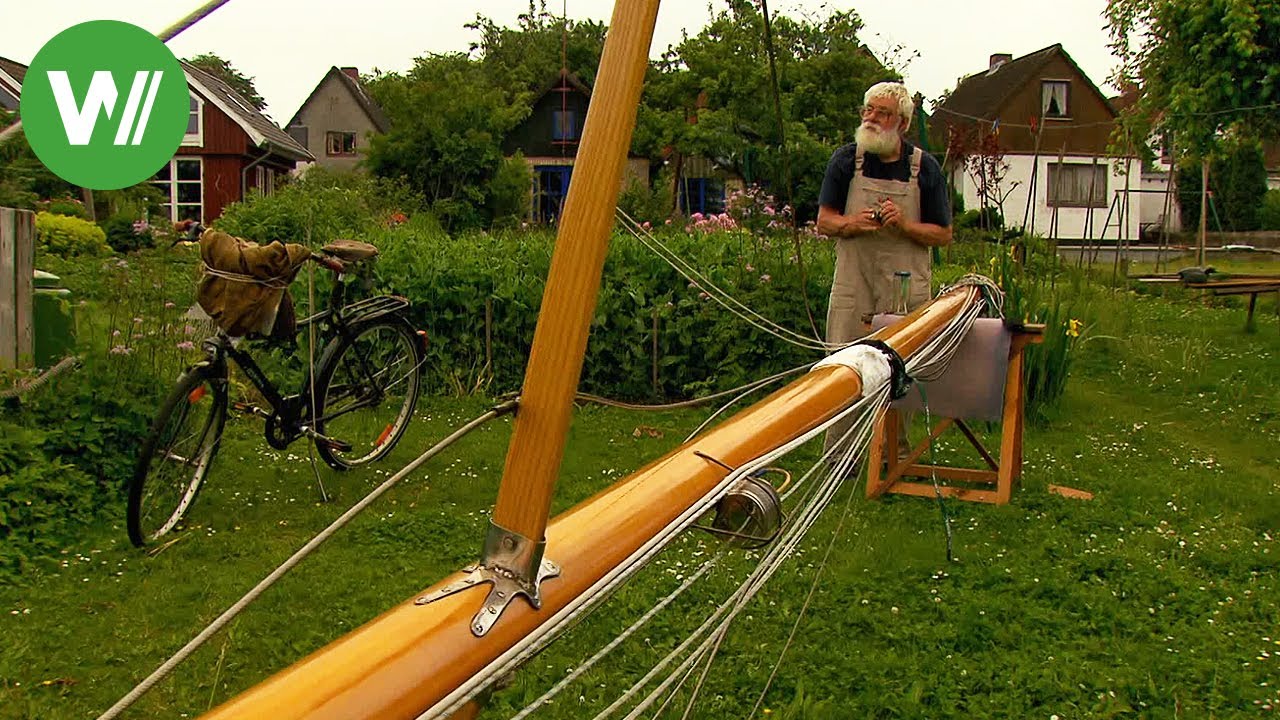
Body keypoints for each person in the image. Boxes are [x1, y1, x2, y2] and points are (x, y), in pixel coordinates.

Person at [815, 81, 952, 458]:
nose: (872, 118)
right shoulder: (846, 161)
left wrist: (904, 225)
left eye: (883, 113)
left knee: (899, 365)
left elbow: (943, 235)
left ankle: (895, 454)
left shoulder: (925, 168)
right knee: (842, 362)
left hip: (904, 284)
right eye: (868, 110)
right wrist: (853, 223)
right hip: (853, 280)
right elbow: (824, 222)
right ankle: (841, 455)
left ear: (903, 123)